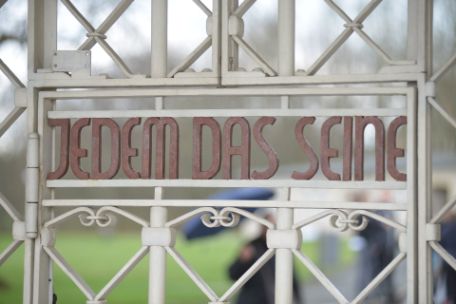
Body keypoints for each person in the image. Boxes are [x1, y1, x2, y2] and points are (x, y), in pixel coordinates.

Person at [228, 213, 302, 304]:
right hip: (253, 299)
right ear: (261, 227)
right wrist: (243, 260)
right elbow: (232, 274)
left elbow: (291, 277)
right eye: (267, 226)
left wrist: (298, 299)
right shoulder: (252, 246)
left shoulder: (283, 248)